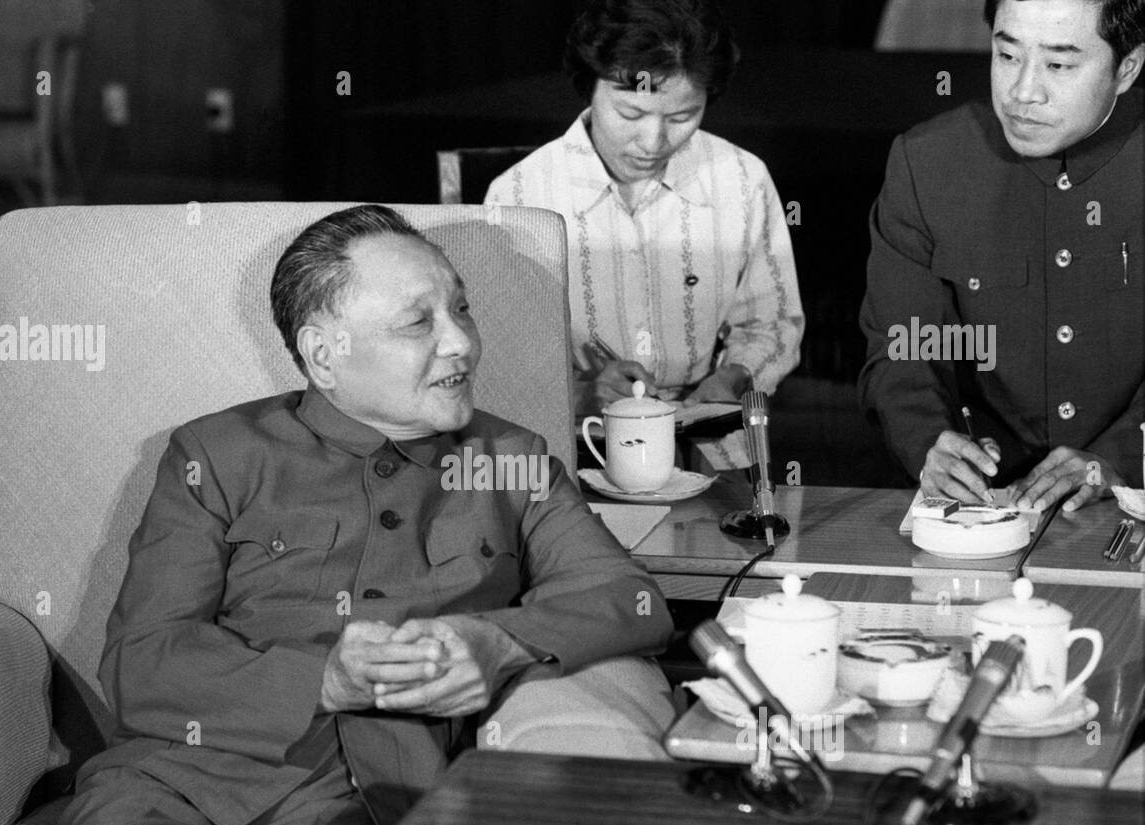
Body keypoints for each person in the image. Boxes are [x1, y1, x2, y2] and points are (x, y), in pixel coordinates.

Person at [15, 205, 673, 825]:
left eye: (461, 307)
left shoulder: (511, 458)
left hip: (364, 786)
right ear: (324, 355)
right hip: (176, 771)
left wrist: (497, 641)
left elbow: (630, 598)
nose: (461, 341)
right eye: (417, 322)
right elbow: (141, 662)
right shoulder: (214, 455)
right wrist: (323, 679)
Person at [484, 0, 804, 471]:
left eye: (681, 118)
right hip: (570, 452)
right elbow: (495, 351)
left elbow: (773, 322)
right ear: (589, 87)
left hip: (711, 447)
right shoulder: (519, 193)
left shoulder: (741, 178)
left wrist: (734, 376)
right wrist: (579, 390)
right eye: (631, 114)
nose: (653, 142)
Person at [858, 0, 1144, 511]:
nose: (1022, 92)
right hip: (982, 510)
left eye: (1058, 65)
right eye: (1008, 55)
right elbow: (905, 346)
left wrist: (1118, 457)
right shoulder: (929, 163)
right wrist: (929, 443)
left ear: (1127, 67)